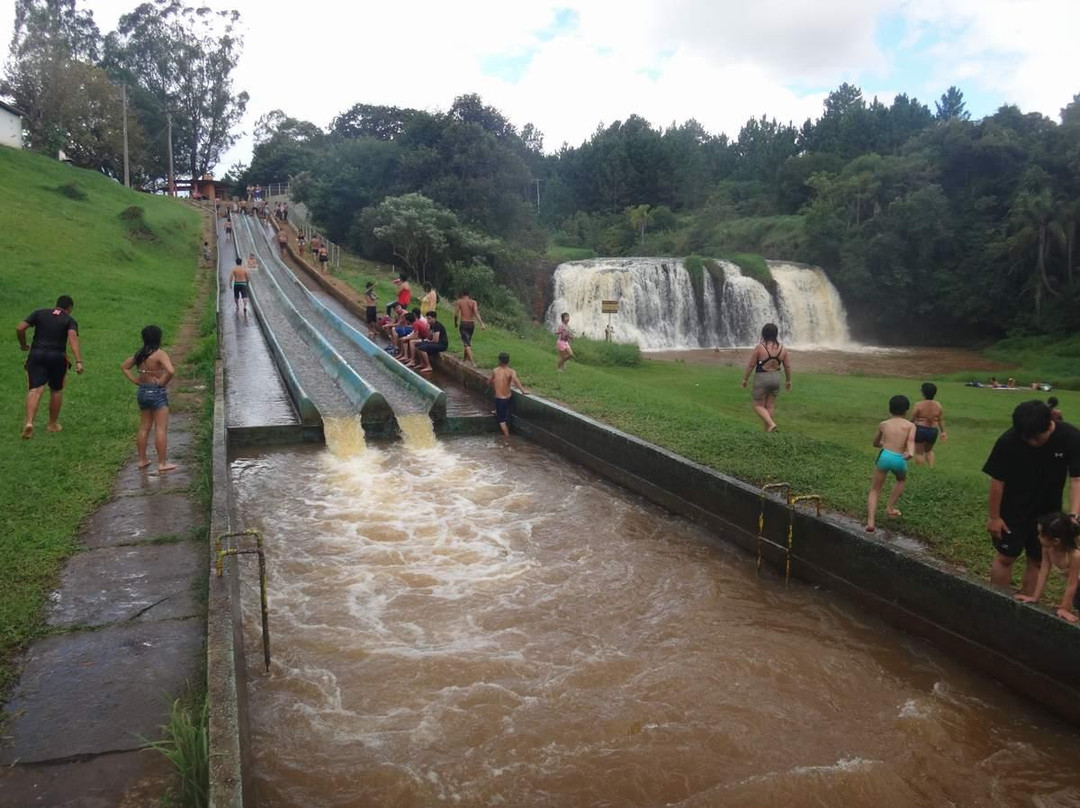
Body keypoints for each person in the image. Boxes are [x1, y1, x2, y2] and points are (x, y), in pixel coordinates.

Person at [983, 400, 1080, 596]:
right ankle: (995, 603)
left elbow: (1077, 480)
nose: (1031, 442)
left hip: (1048, 512)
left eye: (1036, 438)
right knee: (1005, 557)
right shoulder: (1009, 440)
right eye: (1026, 438)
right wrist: (994, 517)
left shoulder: (1070, 437)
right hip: (1013, 508)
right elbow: (997, 481)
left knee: (1037, 561)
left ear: (1050, 423)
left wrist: (1074, 515)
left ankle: (1027, 606)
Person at [16, 295, 84, 439]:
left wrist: (23, 344)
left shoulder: (39, 313)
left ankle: (29, 423)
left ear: (56, 304)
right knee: (56, 390)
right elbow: (72, 338)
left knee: (35, 389)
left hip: (36, 354)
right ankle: (52, 424)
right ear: (69, 308)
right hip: (57, 357)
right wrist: (78, 361)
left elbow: (20, 328)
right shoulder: (69, 320)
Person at [120, 325, 177, 473]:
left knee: (144, 427)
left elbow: (124, 367)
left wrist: (135, 380)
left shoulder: (140, 354)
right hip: (156, 392)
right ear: (158, 338)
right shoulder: (159, 354)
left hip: (142, 392)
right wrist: (162, 381)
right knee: (160, 428)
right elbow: (170, 370)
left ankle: (142, 459)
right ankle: (162, 463)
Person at [1014, 512, 1080, 623]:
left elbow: (1072, 583)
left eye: (1041, 535)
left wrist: (1064, 608)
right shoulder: (1048, 549)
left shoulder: (1075, 556)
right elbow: (1044, 572)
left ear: (1056, 541)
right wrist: (1035, 597)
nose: (1038, 537)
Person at [866, 395, 916, 532]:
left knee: (875, 489)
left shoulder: (884, 424)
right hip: (900, 458)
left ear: (890, 409)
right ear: (907, 410)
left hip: (885, 456)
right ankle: (890, 507)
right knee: (900, 480)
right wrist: (910, 452)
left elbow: (875, 443)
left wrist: (884, 444)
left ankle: (871, 522)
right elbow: (910, 442)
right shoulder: (910, 426)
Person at [740, 323, 791, 433]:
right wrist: (788, 380)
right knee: (770, 405)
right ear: (776, 334)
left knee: (758, 406)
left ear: (764, 333)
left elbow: (751, 365)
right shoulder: (783, 349)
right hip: (776, 378)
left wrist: (745, 379)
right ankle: (767, 432)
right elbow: (787, 366)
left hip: (762, 378)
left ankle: (771, 424)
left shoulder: (760, 348)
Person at [490, 352, 528, 438]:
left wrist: (492, 382)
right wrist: (523, 391)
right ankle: (497, 411)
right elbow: (515, 380)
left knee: (501, 421)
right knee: (505, 412)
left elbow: (489, 381)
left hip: (499, 399)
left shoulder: (495, 371)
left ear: (499, 360)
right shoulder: (511, 371)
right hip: (508, 397)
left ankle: (507, 438)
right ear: (508, 361)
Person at [911, 382, 948, 467]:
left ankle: (920, 470)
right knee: (929, 451)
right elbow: (940, 419)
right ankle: (931, 468)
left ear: (923, 393)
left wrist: (908, 427)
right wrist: (943, 432)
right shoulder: (938, 405)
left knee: (919, 452)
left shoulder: (918, 405)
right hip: (933, 430)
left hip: (921, 429)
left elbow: (913, 418)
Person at [453, 289, 486, 364]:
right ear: (469, 294)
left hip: (464, 323)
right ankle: (464, 359)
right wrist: (482, 324)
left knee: (466, 343)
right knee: (467, 341)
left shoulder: (460, 302)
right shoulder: (474, 302)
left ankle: (472, 362)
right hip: (471, 324)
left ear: (462, 294)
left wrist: (455, 322)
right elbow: (476, 313)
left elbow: (456, 313)